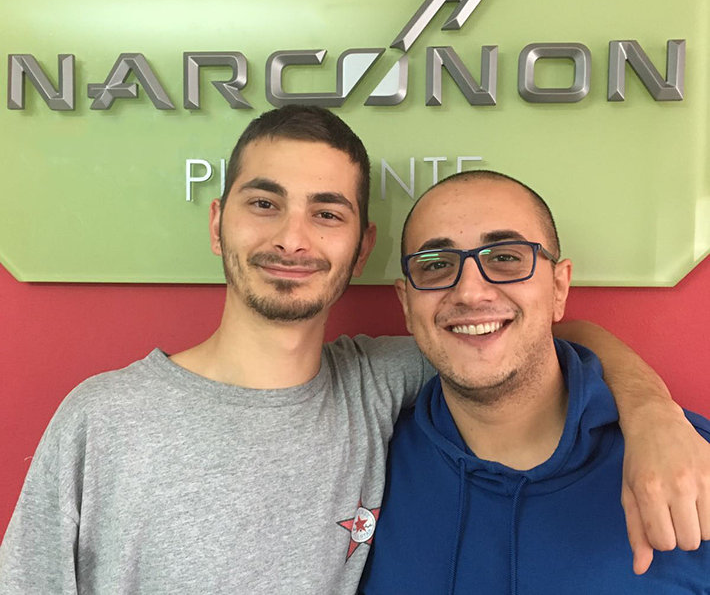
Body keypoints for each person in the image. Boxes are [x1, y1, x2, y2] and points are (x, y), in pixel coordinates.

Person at [0, 106, 706, 594]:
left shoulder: (375, 388)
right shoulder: (103, 419)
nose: (292, 238)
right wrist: (652, 409)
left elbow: (526, 337)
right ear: (217, 223)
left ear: (361, 246)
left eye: (326, 212)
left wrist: (652, 415)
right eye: (264, 203)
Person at [359, 170, 710, 593]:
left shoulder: (691, 466)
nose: (470, 292)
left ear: (559, 287)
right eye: (435, 265)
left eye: (506, 258)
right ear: (406, 303)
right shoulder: (366, 465)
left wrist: (651, 410)